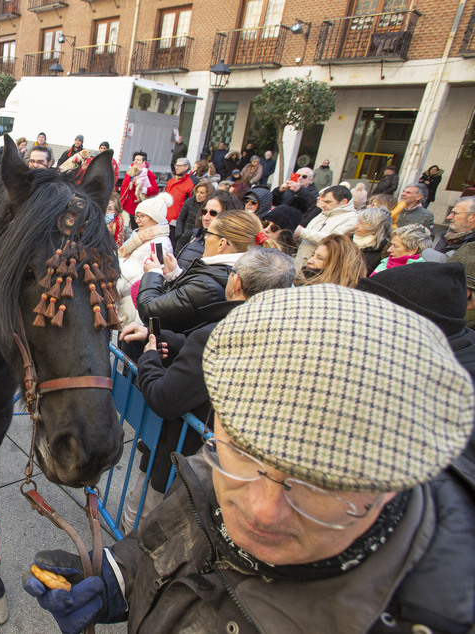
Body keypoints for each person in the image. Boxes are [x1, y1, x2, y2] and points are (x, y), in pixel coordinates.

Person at [25, 283, 475, 634]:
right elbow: (162, 551)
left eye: (319, 483)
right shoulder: (211, 472)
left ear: (397, 479)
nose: (261, 508)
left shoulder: (435, 613)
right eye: (244, 450)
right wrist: (112, 584)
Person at [118, 247, 296, 529]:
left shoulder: (219, 334)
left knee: (141, 522)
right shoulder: (283, 329)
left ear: (235, 283)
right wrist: (164, 337)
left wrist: (150, 357)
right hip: (236, 471)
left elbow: (164, 398)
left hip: (182, 459)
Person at [136, 209, 276, 332]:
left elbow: (149, 311)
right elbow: (192, 299)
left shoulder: (209, 285)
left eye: (208, 234)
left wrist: (152, 274)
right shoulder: (242, 270)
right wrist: (175, 275)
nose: (205, 238)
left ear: (222, 243)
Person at [116, 194, 174, 299]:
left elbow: (152, 278)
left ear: (155, 219)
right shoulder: (141, 237)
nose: (137, 220)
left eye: (142, 216)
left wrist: (120, 284)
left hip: (132, 298)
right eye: (137, 216)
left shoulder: (159, 244)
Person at [175, 190, 243, 271]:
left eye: (213, 213)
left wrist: (175, 273)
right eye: (204, 211)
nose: (206, 217)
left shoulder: (226, 246)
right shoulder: (198, 234)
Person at [294, 184, 357, 268]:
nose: (323, 205)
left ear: (343, 202)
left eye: (328, 202)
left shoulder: (351, 219)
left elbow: (334, 241)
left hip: (318, 268)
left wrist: (302, 232)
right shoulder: (324, 212)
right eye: (323, 201)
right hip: (300, 262)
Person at [298, 233, 367, 287]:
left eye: (320, 258)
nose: (310, 261)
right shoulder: (302, 278)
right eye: (313, 255)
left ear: (337, 266)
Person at [353, 205, 393, 274]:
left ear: (376, 228)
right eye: (358, 222)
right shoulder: (348, 240)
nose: (356, 226)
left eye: (362, 224)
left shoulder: (384, 252)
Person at [174, 180, 210, 255]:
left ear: (208, 194)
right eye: (197, 192)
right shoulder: (189, 202)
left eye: (202, 193)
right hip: (184, 237)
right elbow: (181, 218)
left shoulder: (209, 206)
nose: (198, 195)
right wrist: (179, 234)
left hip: (198, 240)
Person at [119, 152, 157, 219]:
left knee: (135, 226)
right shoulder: (129, 171)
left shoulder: (148, 174)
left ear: (144, 162)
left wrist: (142, 189)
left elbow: (154, 190)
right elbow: (123, 187)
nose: (135, 161)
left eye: (138, 160)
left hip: (136, 206)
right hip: (125, 204)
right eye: (135, 159)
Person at [164, 158, 194, 236]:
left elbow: (191, 204)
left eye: (179, 166)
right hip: (165, 218)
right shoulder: (171, 181)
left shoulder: (191, 182)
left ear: (186, 167)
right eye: (176, 165)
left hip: (177, 221)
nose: (176, 167)